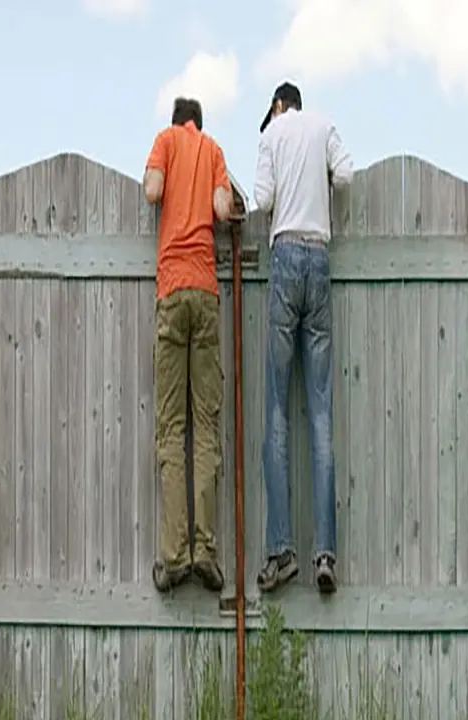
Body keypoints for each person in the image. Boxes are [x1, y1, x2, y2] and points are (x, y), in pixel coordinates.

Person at [252, 81, 353, 595]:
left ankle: (281, 550)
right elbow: (348, 173)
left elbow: (263, 200)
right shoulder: (325, 126)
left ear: (276, 106)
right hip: (320, 256)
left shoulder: (273, 135)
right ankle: (325, 555)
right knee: (320, 413)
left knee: (275, 409)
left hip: (287, 255)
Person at [143, 97, 235, 594]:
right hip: (205, 291)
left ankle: (174, 557)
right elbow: (223, 208)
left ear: (176, 118)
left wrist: (158, 177)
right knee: (205, 427)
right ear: (199, 120)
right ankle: (207, 552)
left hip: (172, 289)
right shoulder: (214, 149)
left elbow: (153, 191)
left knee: (171, 426)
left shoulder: (164, 141)